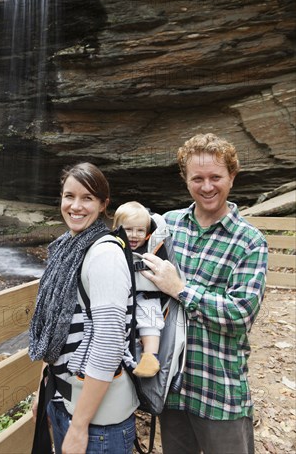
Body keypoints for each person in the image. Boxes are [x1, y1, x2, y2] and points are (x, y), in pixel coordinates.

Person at [140, 133, 268, 454]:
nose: (207, 186)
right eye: (198, 178)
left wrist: (181, 290)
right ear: (186, 180)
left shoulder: (250, 241)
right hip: (173, 388)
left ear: (232, 177)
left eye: (216, 177)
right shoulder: (168, 226)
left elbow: (240, 315)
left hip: (219, 390)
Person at [29, 162, 139, 454]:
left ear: (103, 204)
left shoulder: (104, 255)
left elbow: (109, 343)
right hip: (64, 399)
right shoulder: (67, 248)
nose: (75, 206)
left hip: (97, 424)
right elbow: (54, 326)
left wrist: (79, 427)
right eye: (69, 196)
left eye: (87, 198)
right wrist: (44, 389)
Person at [113, 201, 166, 377]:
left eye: (140, 230)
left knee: (151, 316)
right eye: (128, 230)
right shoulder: (112, 248)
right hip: (119, 297)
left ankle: (150, 357)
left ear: (147, 232)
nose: (135, 235)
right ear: (118, 229)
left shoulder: (151, 249)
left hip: (145, 295)